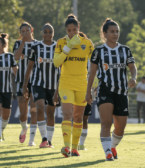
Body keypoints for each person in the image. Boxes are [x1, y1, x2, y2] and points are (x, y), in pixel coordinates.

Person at [86, 18, 137, 161]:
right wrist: (88, 91)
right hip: (105, 90)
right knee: (106, 123)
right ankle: (108, 152)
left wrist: (134, 77)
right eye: (112, 32)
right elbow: (92, 73)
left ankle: (113, 146)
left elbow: (132, 67)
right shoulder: (98, 51)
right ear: (105, 33)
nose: (115, 34)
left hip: (122, 92)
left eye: (117, 31)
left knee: (120, 128)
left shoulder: (125, 50)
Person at [54, 14, 94, 157]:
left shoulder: (87, 43)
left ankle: (75, 148)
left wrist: (94, 80)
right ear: (66, 30)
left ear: (78, 29)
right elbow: (56, 63)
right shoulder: (60, 42)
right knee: (67, 114)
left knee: (78, 117)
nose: (72, 33)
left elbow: (95, 63)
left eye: (74, 30)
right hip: (66, 82)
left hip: (82, 83)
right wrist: (67, 48)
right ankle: (66, 147)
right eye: (69, 30)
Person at [22, 23, 60, 148]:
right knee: (39, 108)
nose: (47, 34)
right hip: (38, 83)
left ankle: (49, 141)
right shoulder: (36, 47)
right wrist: (25, 84)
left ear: (53, 34)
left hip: (54, 85)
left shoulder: (58, 47)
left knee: (50, 113)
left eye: (50, 32)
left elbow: (62, 68)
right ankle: (44, 138)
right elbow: (30, 67)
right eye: (45, 32)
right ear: (41, 33)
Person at [13, 22, 38, 146]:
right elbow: (16, 58)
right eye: (22, 32)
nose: (25, 33)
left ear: (31, 30)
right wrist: (23, 41)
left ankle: (32, 140)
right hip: (21, 81)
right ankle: (24, 128)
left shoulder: (38, 44)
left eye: (27, 30)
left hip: (35, 81)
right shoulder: (18, 44)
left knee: (34, 111)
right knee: (23, 113)